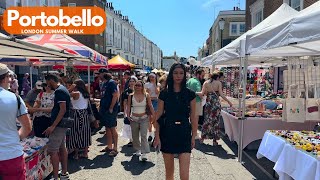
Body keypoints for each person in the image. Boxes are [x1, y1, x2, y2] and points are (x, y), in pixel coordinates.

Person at [153, 63, 197, 180]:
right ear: (171, 74)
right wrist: (156, 135)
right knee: (169, 174)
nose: (178, 76)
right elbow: (159, 116)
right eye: (176, 73)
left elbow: (193, 116)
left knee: (184, 176)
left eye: (181, 73)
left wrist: (194, 135)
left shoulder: (190, 94)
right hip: (167, 132)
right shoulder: (164, 93)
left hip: (184, 132)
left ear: (185, 75)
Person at [0, 63, 32, 180]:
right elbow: (27, 127)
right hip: (10, 154)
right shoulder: (15, 98)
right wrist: (17, 136)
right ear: (5, 78)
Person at [44, 74, 71, 180]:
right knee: (62, 148)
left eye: (47, 82)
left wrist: (53, 126)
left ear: (50, 80)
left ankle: (56, 177)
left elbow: (62, 109)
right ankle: (64, 173)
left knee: (53, 150)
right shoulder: (62, 89)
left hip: (59, 125)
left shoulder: (59, 91)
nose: (46, 84)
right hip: (62, 124)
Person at [201, 72, 232, 145]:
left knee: (207, 120)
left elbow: (203, 93)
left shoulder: (206, 82)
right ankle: (215, 141)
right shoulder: (218, 83)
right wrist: (228, 102)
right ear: (217, 77)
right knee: (216, 121)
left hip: (208, 103)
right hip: (216, 103)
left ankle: (202, 138)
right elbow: (221, 94)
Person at [127, 80, 155, 161]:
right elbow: (128, 106)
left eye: (139, 85)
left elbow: (150, 105)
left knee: (143, 135)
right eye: (136, 85)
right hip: (134, 118)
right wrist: (128, 115)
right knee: (135, 136)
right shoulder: (130, 96)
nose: (137, 87)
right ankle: (138, 149)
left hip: (144, 117)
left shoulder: (146, 95)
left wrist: (154, 115)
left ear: (142, 87)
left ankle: (144, 153)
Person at [67, 79, 92, 159]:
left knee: (75, 133)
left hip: (76, 114)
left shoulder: (76, 93)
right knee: (85, 133)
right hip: (84, 113)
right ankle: (85, 152)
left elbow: (65, 94)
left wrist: (71, 88)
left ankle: (76, 154)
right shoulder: (86, 94)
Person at [99, 72, 119, 157]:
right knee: (107, 128)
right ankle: (109, 146)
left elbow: (115, 95)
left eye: (99, 73)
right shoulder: (105, 83)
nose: (98, 75)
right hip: (105, 109)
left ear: (103, 74)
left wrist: (111, 107)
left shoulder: (111, 82)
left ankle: (115, 148)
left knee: (112, 128)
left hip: (110, 110)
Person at [122, 76, 138, 146]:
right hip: (129, 110)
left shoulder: (139, 90)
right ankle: (131, 140)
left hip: (137, 110)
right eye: (130, 81)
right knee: (129, 125)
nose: (131, 83)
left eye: (133, 81)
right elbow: (125, 102)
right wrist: (125, 112)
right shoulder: (126, 92)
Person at [145, 73, 161, 142]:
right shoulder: (146, 84)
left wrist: (154, 84)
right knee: (149, 119)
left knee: (154, 119)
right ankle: (150, 134)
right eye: (150, 77)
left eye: (153, 77)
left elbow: (157, 92)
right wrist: (146, 91)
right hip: (148, 101)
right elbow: (145, 93)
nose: (152, 78)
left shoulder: (158, 84)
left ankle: (155, 134)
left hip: (155, 101)